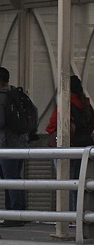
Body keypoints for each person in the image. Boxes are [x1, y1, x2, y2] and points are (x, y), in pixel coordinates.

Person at [45, 74, 94, 212]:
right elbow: (91, 125)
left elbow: (54, 123)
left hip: (69, 146)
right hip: (85, 147)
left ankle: (69, 215)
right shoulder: (86, 103)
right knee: (82, 182)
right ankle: (81, 213)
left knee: (66, 181)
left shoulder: (66, 103)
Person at [0, 66, 28, 223]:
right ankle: (20, 212)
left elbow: (0, 122)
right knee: (16, 178)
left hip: (7, 144)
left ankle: (13, 214)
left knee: (10, 178)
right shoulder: (17, 93)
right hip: (22, 141)